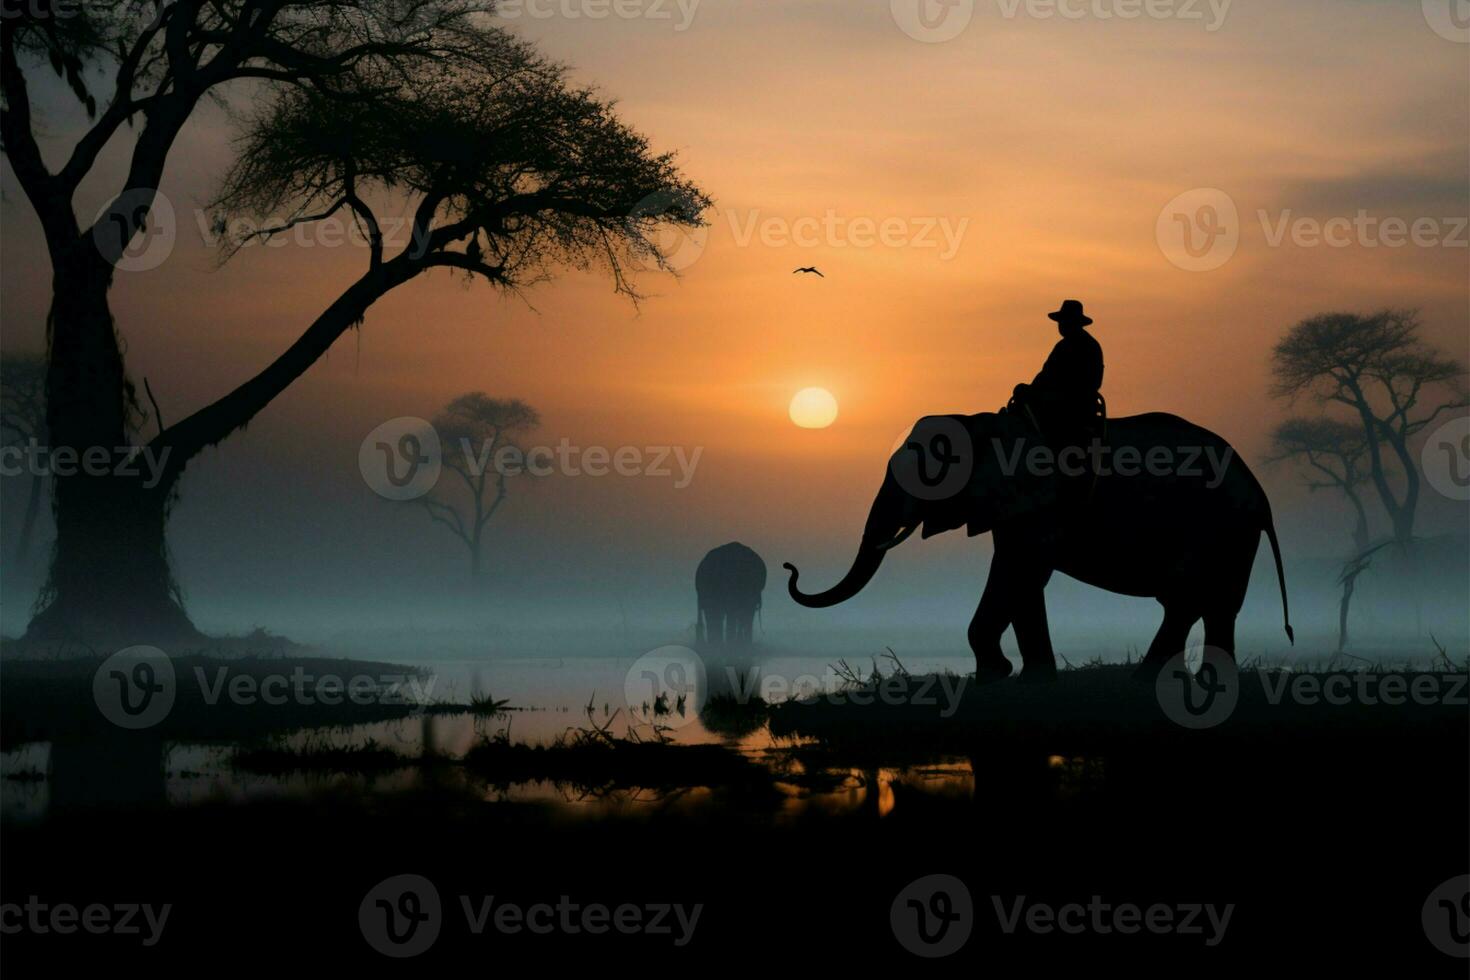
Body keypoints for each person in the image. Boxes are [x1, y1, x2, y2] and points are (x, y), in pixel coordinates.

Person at [1010, 299, 1104, 447]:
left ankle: (1038, 442)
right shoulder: (1088, 344)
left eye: (1064, 321)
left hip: (1068, 403)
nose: (1061, 325)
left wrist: (1030, 390)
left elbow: (1047, 376)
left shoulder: (1068, 346)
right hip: (1081, 402)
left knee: (1022, 394)